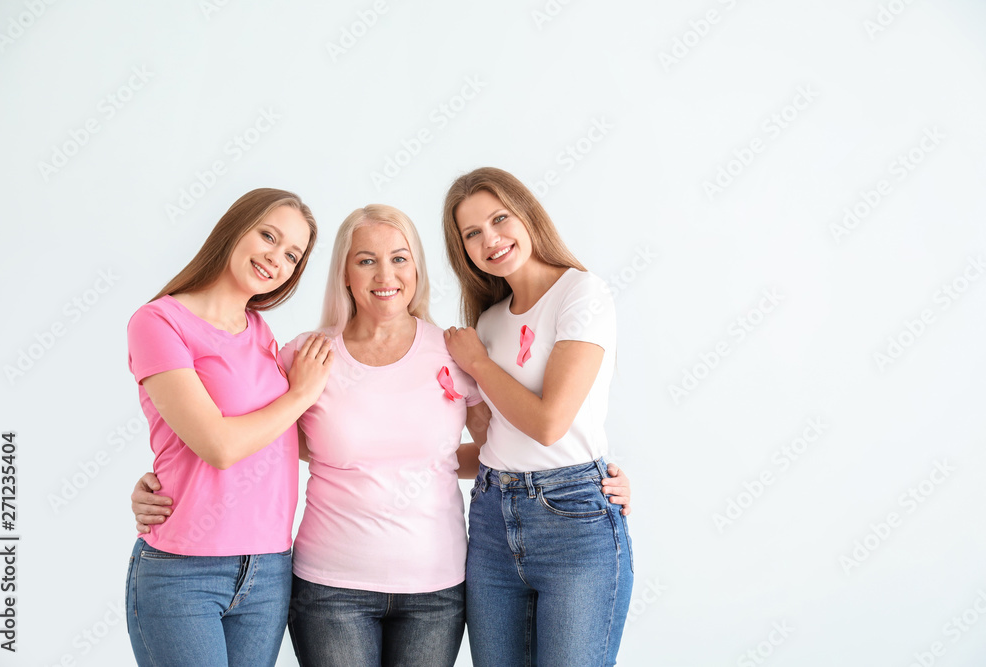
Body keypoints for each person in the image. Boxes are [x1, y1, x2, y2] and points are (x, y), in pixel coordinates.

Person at [130, 204, 634, 666]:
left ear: (417, 269)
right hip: (329, 586)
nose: (385, 275)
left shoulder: (456, 351)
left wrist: (588, 476)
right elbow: (255, 435)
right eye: (366, 261)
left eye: (399, 259)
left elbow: (501, 448)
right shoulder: (307, 356)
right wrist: (161, 483)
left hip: (435, 587)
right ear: (345, 274)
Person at [124, 188, 334, 667]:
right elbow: (218, 445)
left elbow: (277, 438)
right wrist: (301, 394)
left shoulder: (260, 332)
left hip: (270, 568)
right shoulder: (158, 322)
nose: (276, 259)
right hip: (184, 572)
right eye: (268, 236)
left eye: (292, 255)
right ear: (235, 229)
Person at [441, 167, 633, 666]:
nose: (490, 239)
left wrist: (478, 364)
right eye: (472, 233)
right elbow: (497, 441)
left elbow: (549, 425)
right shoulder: (489, 321)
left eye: (499, 219)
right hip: (491, 520)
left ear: (527, 214)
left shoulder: (581, 293)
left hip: (573, 522)